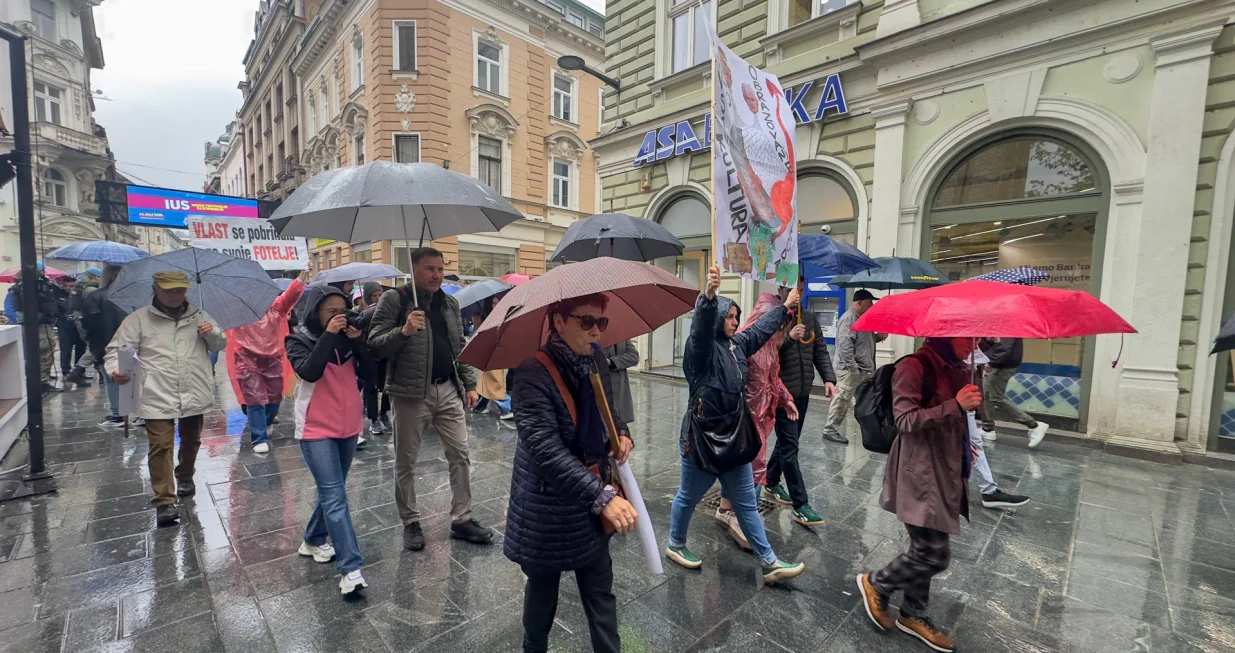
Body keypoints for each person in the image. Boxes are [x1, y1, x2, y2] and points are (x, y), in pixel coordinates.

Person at [507, 294, 636, 653]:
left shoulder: (596, 359)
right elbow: (543, 449)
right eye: (586, 322)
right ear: (559, 321)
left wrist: (622, 433)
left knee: (601, 595)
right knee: (542, 596)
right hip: (546, 506)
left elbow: (610, 410)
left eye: (601, 323)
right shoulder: (530, 372)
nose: (596, 331)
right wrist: (602, 497)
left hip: (592, 499)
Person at [664, 265, 806, 584]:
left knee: (745, 502)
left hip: (735, 438)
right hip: (701, 439)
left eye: (736, 317)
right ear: (718, 319)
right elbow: (699, 331)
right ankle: (675, 544)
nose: (735, 322)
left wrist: (785, 308)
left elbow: (760, 331)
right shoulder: (700, 352)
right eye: (729, 317)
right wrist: (709, 297)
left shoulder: (737, 345)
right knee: (688, 495)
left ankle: (769, 562)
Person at [858, 337, 982, 653]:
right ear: (946, 333)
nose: (974, 343)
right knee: (934, 554)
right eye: (968, 336)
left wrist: (963, 441)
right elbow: (906, 419)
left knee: (925, 547)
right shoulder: (914, 366)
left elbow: (952, 419)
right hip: (920, 472)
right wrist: (956, 405)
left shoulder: (956, 368)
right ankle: (878, 583)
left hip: (944, 467)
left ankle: (914, 612)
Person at [368, 247, 493, 551]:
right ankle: (410, 521)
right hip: (410, 393)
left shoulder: (449, 303)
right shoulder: (395, 300)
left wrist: (469, 384)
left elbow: (457, 346)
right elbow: (374, 344)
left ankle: (461, 518)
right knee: (406, 460)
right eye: (429, 269)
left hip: (448, 389)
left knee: (460, 454)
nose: (436, 275)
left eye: (439, 268)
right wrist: (404, 330)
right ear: (413, 270)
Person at [105, 271, 227, 527]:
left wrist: (212, 332)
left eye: (180, 290)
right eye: (169, 290)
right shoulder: (137, 319)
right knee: (160, 446)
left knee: (192, 439)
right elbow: (118, 351)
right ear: (156, 289)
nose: (175, 295)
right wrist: (116, 369)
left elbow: (219, 345)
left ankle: (185, 475)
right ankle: (164, 501)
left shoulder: (200, 315)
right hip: (156, 391)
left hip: (194, 388)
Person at [286, 284, 375, 595]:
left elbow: (370, 374)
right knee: (335, 496)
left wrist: (359, 342)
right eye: (331, 311)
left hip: (349, 426)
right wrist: (328, 336)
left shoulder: (348, 340)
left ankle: (312, 540)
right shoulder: (297, 340)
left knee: (332, 492)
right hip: (316, 429)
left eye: (343, 310)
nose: (340, 316)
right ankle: (351, 568)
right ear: (316, 314)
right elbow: (309, 372)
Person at [764, 277, 836, 526]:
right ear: (782, 289)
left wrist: (828, 378)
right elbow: (765, 350)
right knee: (790, 447)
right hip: (784, 394)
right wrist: (789, 337)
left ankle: (771, 481)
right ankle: (801, 504)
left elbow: (820, 351)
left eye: (802, 290)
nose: (799, 294)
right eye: (795, 290)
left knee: (787, 442)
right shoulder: (774, 315)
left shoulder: (810, 318)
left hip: (803, 392)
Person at [226, 267, 310, 453]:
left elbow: (289, 297)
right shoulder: (238, 311)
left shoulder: (275, 307)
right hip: (246, 360)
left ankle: (266, 421)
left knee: (274, 397)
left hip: (272, 359)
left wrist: (301, 279)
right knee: (255, 399)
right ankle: (258, 437)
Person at [822, 289, 886, 443]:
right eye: (869, 302)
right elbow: (845, 346)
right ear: (859, 303)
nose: (872, 305)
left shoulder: (864, 319)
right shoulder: (849, 319)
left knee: (866, 399)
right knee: (842, 399)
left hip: (863, 370)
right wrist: (853, 369)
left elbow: (863, 342)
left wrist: (879, 336)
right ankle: (830, 430)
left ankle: (872, 429)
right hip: (851, 370)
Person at [979, 337, 1049, 447]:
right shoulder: (1002, 324)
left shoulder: (1006, 324)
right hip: (999, 363)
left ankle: (1033, 425)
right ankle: (987, 428)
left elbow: (1005, 348)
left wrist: (991, 360)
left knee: (995, 398)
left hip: (1000, 366)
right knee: (988, 395)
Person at [82, 265, 127, 428]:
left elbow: (89, 323)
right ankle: (140, 414)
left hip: (105, 344)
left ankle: (117, 415)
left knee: (111, 380)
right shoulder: (130, 296)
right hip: (130, 343)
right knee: (134, 380)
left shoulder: (95, 296)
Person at [10, 265, 61, 391]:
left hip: (41, 321)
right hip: (39, 323)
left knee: (43, 350)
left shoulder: (34, 284)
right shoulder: (27, 285)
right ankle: (41, 381)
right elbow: (30, 303)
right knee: (45, 350)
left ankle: (40, 379)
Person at [356, 282, 392, 436]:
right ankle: (373, 419)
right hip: (369, 355)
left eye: (380, 295)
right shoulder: (361, 313)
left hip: (384, 353)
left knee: (386, 387)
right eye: (374, 296)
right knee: (371, 387)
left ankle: (383, 412)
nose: (378, 299)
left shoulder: (388, 311)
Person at [62, 273, 100, 388]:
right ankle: (75, 373)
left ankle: (77, 373)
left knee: (93, 347)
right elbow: (97, 305)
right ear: (95, 277)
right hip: (89, 321)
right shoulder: (91, 289)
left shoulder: (79, 288)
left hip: (80, 320)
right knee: (95, 347)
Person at [601, 340, 638, 425]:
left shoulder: (623, 337)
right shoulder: (595, 335)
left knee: (620, 426)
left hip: (620, 390)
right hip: (603, 386)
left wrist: (612, 362)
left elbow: (634, 356)